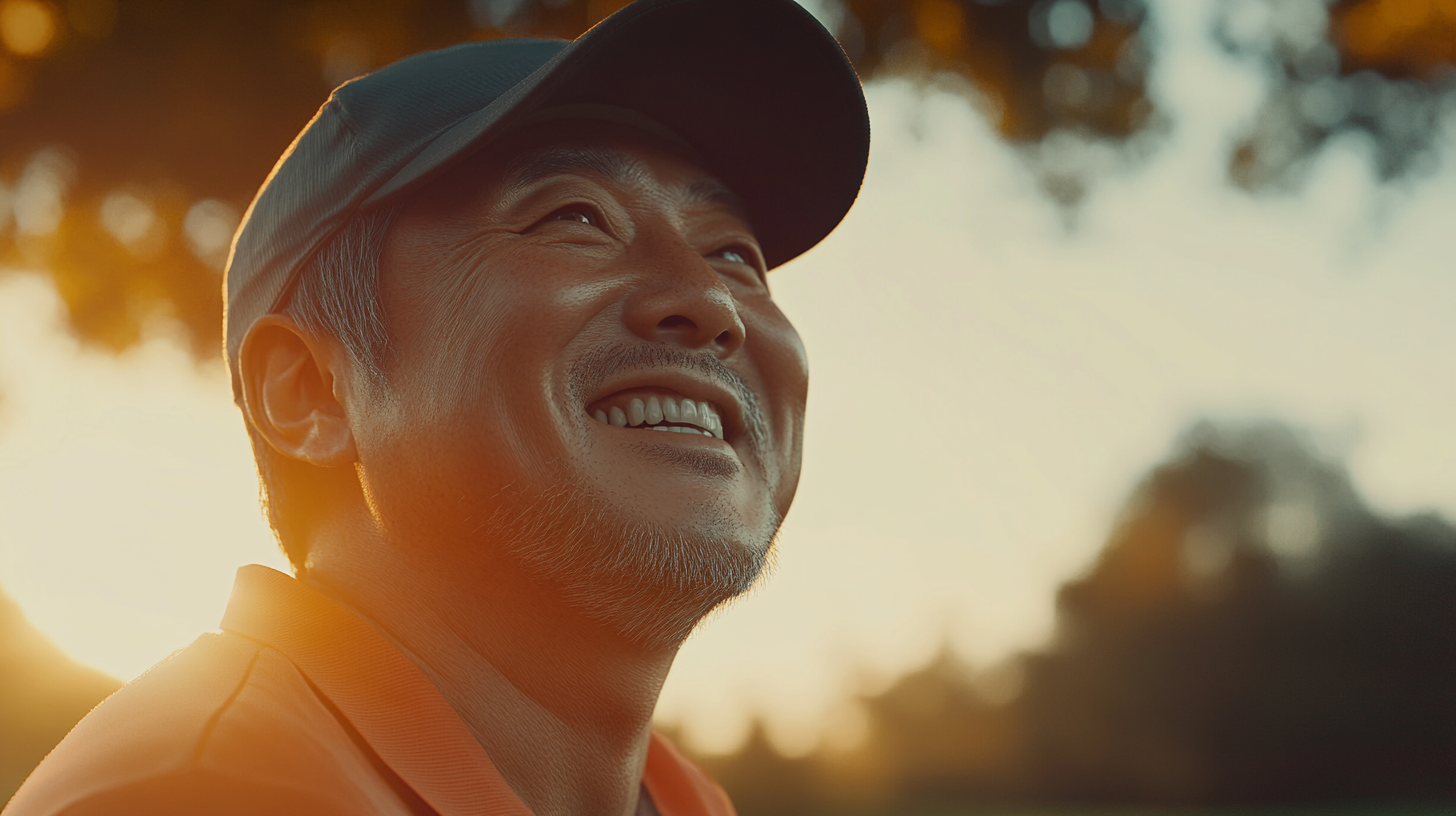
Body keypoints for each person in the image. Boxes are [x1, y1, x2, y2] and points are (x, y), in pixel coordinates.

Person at [3, 1, 868, 814]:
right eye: (577, 216)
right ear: (308, 390)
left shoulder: (684, 799)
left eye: (735, 254)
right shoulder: (203, 789)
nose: (708, 301)